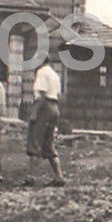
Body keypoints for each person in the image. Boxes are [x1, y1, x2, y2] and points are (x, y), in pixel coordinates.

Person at [23, 49, 66, 187]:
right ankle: (59, 176)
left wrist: (34, 113)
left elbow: (41, 95)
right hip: (54, 107)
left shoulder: (42, 72)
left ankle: (31, 177)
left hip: (44, 107)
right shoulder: (54, 74)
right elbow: (58, 95)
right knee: (48, 142)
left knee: (35, 141)